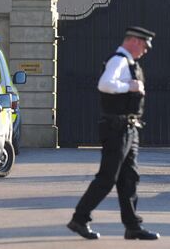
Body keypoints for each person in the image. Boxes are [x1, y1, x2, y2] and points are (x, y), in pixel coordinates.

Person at [67, 26, 160, 241]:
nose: (145, 50)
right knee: (108, 177)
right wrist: (130, 87)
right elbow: (105, 84)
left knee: (129, 178)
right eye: (144, 45)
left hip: (129, 128)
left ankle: (132, 226)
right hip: (117, 128)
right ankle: (79, 219)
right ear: (134, 41)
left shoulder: (129, 62)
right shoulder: (118, 60)